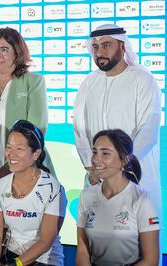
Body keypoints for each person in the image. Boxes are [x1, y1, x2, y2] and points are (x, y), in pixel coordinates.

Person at [0, 27, 55, 229]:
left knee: (27, 234)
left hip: (24, 173)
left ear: (17, 52)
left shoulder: (32, 82)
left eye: (4, 49)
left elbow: (36, 130)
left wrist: (9, 168)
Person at [73, 24, 162, 218]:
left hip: (135, 175)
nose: (100, 52)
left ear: (122, 47)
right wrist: (92, 165)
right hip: (97, 176)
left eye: (107, 45)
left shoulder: (143, 80)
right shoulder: (89, 82)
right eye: (95, 47)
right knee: (97, 238)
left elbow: (148, 131)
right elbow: (80, 129)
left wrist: (119, 166)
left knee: (139, 241)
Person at [76, 129, 159, 266]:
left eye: (105, 153)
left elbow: (151, 260)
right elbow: (82, 251)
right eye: (95, 152)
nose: (96, 159)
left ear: (125, 159)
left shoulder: (141, 199)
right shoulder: (87, 196)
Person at [0, 120, 66, 266]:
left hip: (44, 260)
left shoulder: (52, 188)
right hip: (11, 255)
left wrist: (16, 264)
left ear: (36, 154)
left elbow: (45, 241)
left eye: (19, 149)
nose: (11, 154)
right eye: (8, 147)